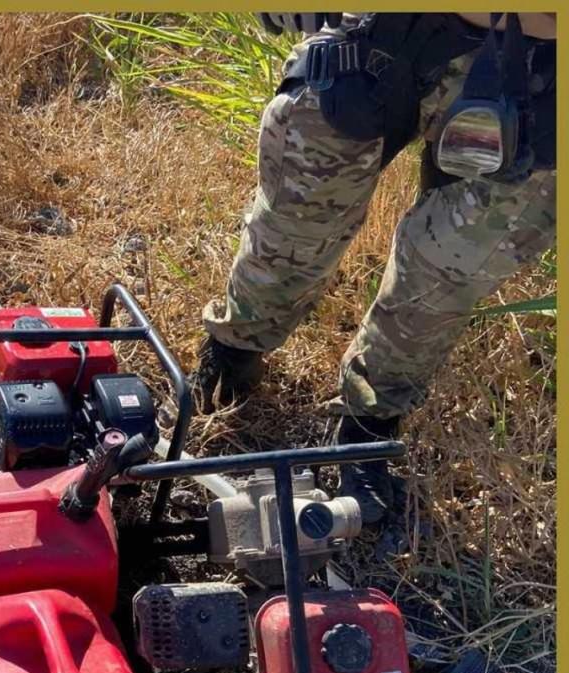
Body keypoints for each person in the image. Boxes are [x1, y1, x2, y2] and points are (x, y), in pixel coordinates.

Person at [194, 13, 556, 522]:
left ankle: (370, 418)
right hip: (391, 34)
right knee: (301, 200)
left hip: (542, 75)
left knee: (452, 264)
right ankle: (235, 348)